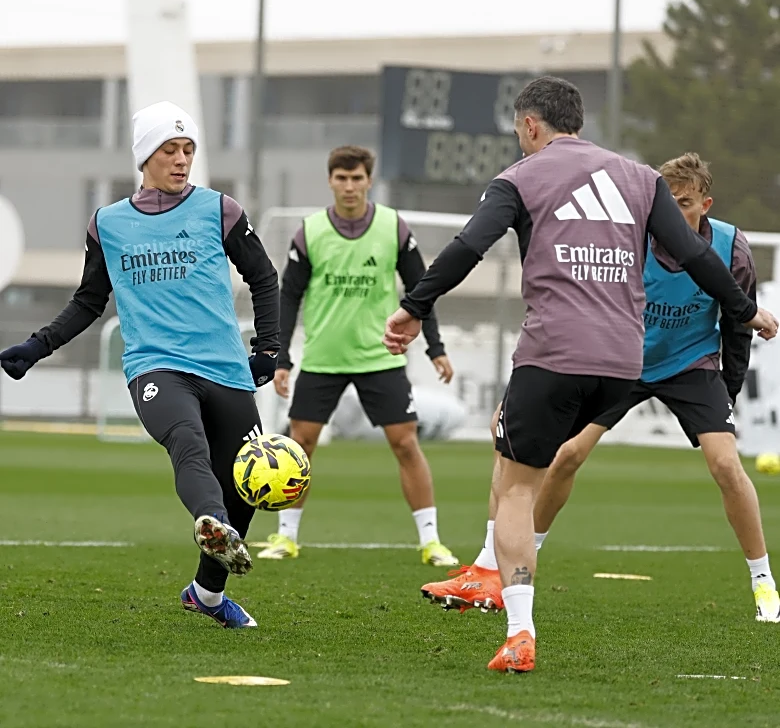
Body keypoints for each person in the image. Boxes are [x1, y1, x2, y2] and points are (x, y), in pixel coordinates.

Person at [383, 77, 778, 673]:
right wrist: (747, 310)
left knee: (515, 482)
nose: (519, 141)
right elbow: (696, 256)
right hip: (621, 363)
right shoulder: (640, 179)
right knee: (533, 447)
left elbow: (469, 246)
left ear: (531, 125)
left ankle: (515, 620)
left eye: (519, 131)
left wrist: (415, 306)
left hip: (557, 354)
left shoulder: (520, 177)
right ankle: (486, 568)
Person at [0, 101, 280, 629]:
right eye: (170, 149)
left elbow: (264, 278)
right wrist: (37, 346)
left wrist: (268, 348)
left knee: (245, 483)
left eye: (188, 149)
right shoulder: (107, 223)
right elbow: (89, 301)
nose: (181, 159)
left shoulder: (220, 210)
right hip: (156, 368)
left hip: (225, 368)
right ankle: (213, 522)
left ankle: (207, 594)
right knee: (188, 442)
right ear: (145, 156)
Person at [258, 145, 458, 566]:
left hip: (380, 358)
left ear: (369, 181)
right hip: (323, 359)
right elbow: (289, 296)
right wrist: (282, 358)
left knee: (406, 444)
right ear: (331, 181)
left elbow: (420, 291)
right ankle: (285, 537)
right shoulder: (310, 232)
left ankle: (431, 541)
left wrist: (435, 347)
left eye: (357, 178)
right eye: (341, 178)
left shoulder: (393, 228)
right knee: (300, 446)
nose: (349, 186)